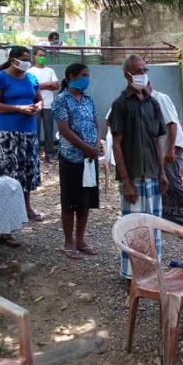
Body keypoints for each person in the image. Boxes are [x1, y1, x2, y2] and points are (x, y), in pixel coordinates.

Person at [108, 54, 168, 279]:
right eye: (139, 71)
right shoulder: (120, 104)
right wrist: (126, 181)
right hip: (132, 177)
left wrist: (163, 173)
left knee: (154, 226)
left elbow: (156, 141)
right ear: (127, 75)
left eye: (145, 70)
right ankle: (133, 275)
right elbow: (117, 144)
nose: (143, 75)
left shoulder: (153, 103)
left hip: (153, 174)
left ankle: (154, 271)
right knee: (134, 228)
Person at [0, 45, 43, 222]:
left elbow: (39, 98)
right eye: (25, 59)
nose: (28, 62)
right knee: (10, 171)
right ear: (13, 60)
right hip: (8, 132)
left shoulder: (31, 78)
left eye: (29, 59)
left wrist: (37, 107)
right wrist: (18, 108)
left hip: (29, 131)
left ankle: (26, 206)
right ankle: (8, 209)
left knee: (28, 170)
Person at [52, 63, 100, 259]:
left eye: (87, 75)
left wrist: (95, 145)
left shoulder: (88, 100)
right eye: (83, 75)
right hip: (72, 157)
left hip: (89, 158)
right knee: (70, 200)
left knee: (85, 201)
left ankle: (81, 240)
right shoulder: (61, 100)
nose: (86, 78)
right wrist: (86, 147)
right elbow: (64, 129)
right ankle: (68, 242)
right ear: (71, 76)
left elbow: (96, 123)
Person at [149, 83, 183, 228]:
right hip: (160, 149)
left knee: (173, 182)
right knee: (163, 183)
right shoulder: (147, 102)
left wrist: (171, 149)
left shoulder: (160, 99)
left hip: (171, 147)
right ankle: (170, 217)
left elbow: (172, 124)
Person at [27, 47, 60, 161]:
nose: (42, 58)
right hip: (35, 104)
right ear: (34, 56)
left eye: (44, 56)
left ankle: (49, 154)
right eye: (40, 55)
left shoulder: (50, 70)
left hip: (49, 105)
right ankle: (34, 154)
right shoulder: (30, 71)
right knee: (34, 130)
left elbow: (57, 86)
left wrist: (41, 85)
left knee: (49, 130)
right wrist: (47, 84)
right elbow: (30, 87)